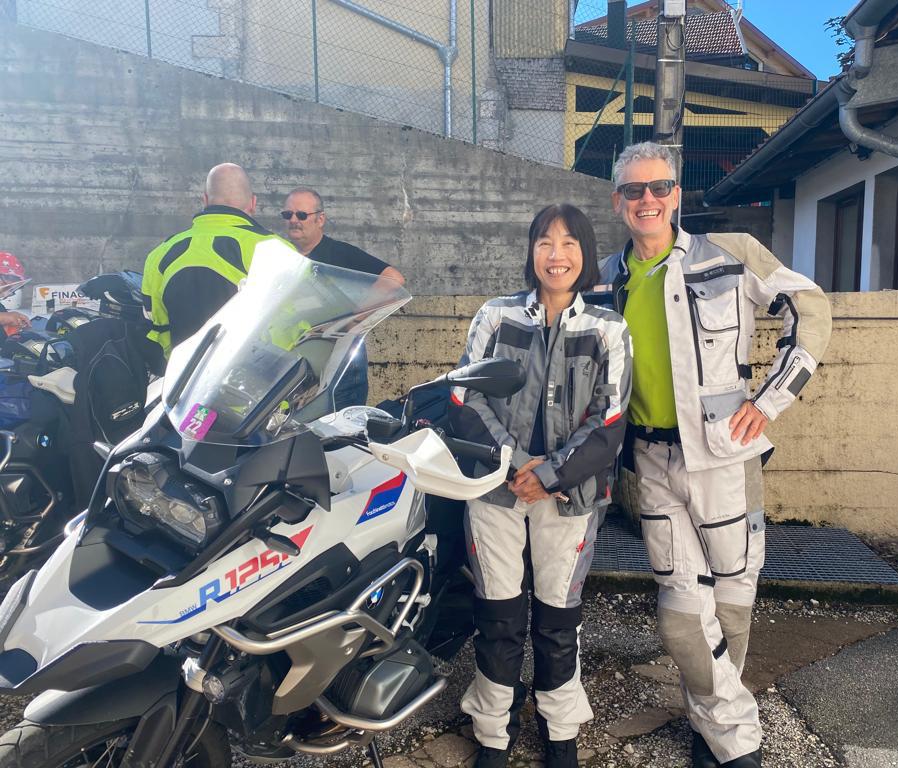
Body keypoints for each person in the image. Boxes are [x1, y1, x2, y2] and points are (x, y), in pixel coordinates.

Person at [597, 142, 832, 768]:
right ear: (618, 201)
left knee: (730, 606)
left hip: (727, 458)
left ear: (676, 194)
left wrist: (771, 400)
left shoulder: (731, 254)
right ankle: (736, 736)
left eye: (660, 187)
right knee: (681, 617)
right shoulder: (604, 279)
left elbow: (811, 308)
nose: (648, 199)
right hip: (649, 463)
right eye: (634, 190)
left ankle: (711, 727)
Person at [449, 204, 632, 768]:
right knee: (498, 615)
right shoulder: (495, 315)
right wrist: (513, 464)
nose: (557, 255)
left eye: (569, 243)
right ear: (531, 252)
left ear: (585, 253)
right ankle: (493, 731)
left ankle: (560, 729)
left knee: (557, 619)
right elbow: (462, 395)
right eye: (545, 243)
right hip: (495, 489)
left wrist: (550, 473)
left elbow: (610, 419)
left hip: (569, 497)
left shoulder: (607, 327)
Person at [141, 163, 291, 358]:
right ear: (253, 203)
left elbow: (158, 331)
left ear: (205, 200)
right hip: (256, 373)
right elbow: (293, 326)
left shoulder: (160, 254)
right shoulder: (276, 250)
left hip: (183, 374)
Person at [282, 187, 405, 407]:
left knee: (338, 426)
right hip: (298, 363)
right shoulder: (284, 257)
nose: (293, 220)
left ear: (320, 219)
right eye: (287, 214)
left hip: (340, 363)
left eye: (301, 215)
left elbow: (393, 279)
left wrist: (354, 319)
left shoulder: (340, 253)